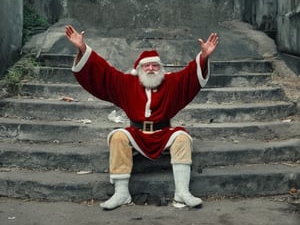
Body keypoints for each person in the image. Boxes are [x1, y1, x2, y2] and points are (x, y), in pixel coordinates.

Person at [65, 25, 219, 210]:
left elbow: (190, 76)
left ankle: (182, 193)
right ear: (139, 69)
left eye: (155, 65)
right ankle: (121, 194)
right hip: (136, 133)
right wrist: (83, 49)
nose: (151, 69)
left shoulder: (171, 82)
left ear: (161, 68)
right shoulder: (126, 83)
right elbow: (103, 72)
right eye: (147, 65)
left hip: (163, 133)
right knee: (118, 136)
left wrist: (203, 57)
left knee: (182, 138)